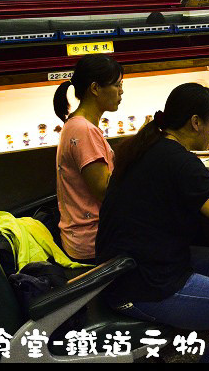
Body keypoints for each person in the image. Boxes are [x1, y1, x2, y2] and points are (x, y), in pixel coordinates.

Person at [96, 83, 209, 361]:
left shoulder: (150, 145)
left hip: (128, 268)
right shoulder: (176, 160)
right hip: (143, 286)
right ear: (195, 122)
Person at [52, 54, 123, 262]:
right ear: (95, 88)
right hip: (94, 241)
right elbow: (104, 191)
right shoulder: (84, 130)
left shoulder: (75, 124)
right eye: (117, 85)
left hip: (81, 238)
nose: (121, 91)